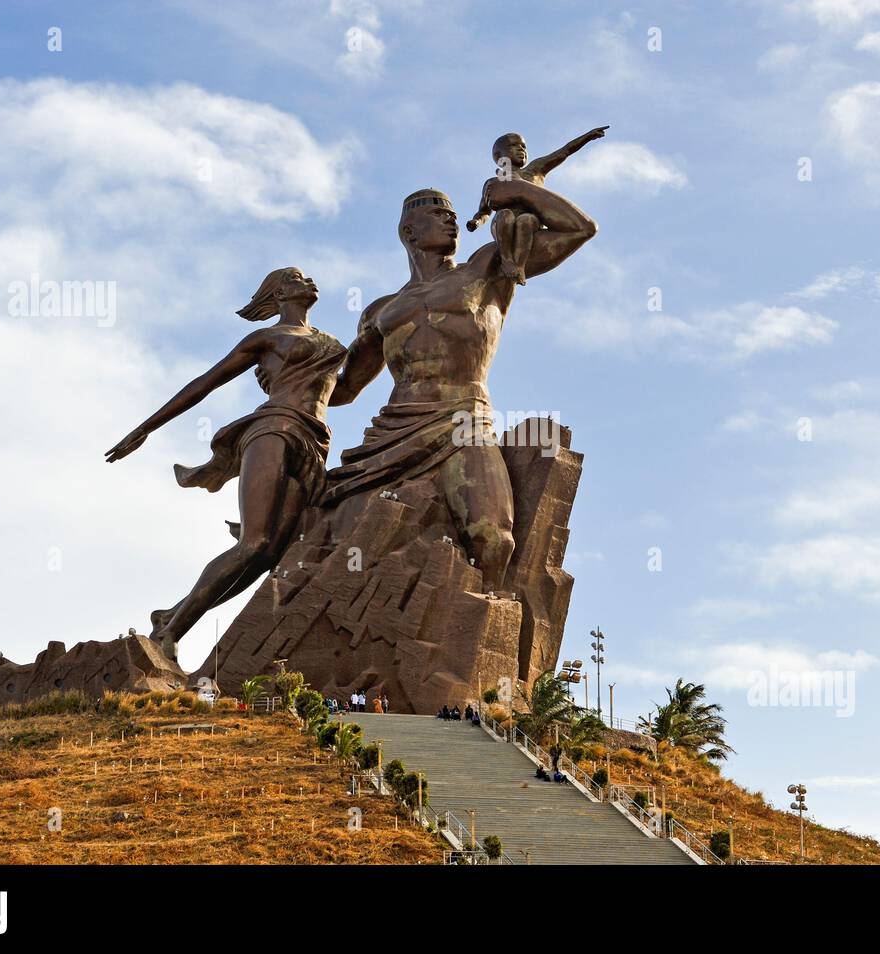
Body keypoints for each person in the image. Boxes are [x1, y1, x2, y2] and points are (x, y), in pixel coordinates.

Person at [321, 180, 598, 593]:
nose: (451, 221)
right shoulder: (381, 310)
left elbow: (579, 229)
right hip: (391, 432)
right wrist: (293, 379)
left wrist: (519, 191)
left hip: (464, 421)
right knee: (333, 534)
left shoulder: (486, 268)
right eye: (437, 215)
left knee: (493, 538)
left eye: (453, 215)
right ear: (409, 232)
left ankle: (480, 624)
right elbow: (343, 391)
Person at [106, 267, 349, 660]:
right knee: (254, 542)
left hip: (314, 443)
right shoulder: (267, 338)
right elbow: (206, 382)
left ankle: (171, 614)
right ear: (279, 294)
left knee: (269, 555)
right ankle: (171, 631)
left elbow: (346, 391)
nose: (310, 281)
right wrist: (145, 428)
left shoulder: (333, 344)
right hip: (273, 430)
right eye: (297, 278)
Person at [465, 127, 608, 285]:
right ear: (499, 156)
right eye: (514, 145)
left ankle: (519, 266)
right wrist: (476, 222)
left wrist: (586, 137)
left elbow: (563, 152)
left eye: (524, 146)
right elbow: (484, 211)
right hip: (503, 224)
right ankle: (507, 260)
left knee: (527, 220)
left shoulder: (534, 170)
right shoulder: (493, 183)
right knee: (505, 214)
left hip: (531, 222)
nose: (521, 149)